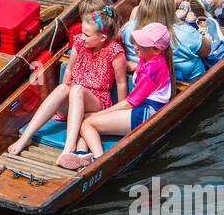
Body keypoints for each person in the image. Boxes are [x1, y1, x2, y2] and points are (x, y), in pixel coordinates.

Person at [8, 4, 125, 157]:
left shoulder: (114, 52)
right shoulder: (79, 43)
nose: (82, 37)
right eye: (82, 33)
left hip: (97, 101)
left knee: (76, 89)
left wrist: (120, 113)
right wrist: (64, 91)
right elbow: (69, 69)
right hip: (73, 96)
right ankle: (25, 138)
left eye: (87, 35)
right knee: (63, 88)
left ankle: (69, 148)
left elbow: (122, 83)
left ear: (102, 38)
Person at [66, 23, 173, 169]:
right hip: (141, 109)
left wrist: (99, 114)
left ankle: (99, 159)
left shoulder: (152, 69)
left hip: (146, 113)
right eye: (136, 41)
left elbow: (130, 103)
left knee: (87, 122)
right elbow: (137, 69)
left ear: (156, 50)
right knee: (84, 118)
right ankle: (81, 154)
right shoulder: (148, 58)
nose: (136, 46)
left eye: (141, 44)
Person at [120, 0, 211, 85]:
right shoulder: (186, 34)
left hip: (141, 79)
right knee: (211, 32)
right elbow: (206, 51)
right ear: (171, 7)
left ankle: (187, 16)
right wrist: (207, 39)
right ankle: (194, 17)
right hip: (183, 83)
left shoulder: (128, 28)